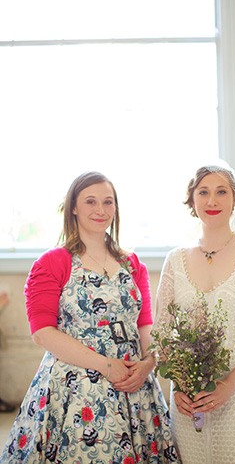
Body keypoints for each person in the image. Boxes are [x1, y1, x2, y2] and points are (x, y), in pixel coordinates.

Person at [0, 171, 180, 464]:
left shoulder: (132, 264)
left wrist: (149, 363)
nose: (100, 210)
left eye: (108, 202)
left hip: (134, 384)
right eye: (90, 202)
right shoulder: (52, 263)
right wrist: (106, 366)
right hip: (75, 387)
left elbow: (146, 324)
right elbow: (43, 333)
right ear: (73, 207)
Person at [154, 164, 235, 464]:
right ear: (192, 202)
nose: (212, 200)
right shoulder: (174, 259)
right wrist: (178, 389)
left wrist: (227, 387)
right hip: (189, 398)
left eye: (221, 192)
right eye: (203, 192)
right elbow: (162, 331)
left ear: (234, 201)